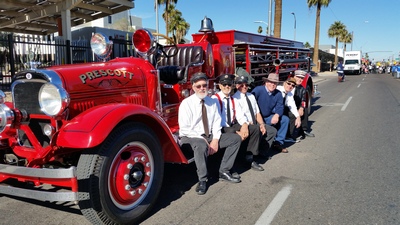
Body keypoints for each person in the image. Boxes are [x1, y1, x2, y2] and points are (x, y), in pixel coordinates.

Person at [178, 72, 242, 195]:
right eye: (198, 86)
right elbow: (185, 128)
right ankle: (203, 179)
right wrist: (203, 140)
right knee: (201, 146)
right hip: (191, 136)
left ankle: (224, 171)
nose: (202, 88)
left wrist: (215, 140)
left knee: (235, 139)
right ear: (193, 87)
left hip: (209, 135)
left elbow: (217, 123)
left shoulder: (212, 102)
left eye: (204, 85)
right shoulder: (186, 104)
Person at [232, 75, 277, 171]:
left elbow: (257, 112)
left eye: (246, 85)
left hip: (255, 122)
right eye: (241, 85)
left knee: (272, 131)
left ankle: (261, 152)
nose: (244, 87)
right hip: (244, 124)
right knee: (255, 130)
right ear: (236, 86)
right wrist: (249, 124)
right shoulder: (235, 99)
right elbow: (239, 116)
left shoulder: (251, 96)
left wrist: (262, 124)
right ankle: (250, 159)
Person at [251, 73, 289, 153]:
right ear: (266, 82)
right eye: (270, 82)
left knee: (285, 119)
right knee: (267, 129)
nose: (272, 84)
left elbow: (280, 106)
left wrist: (277, 115)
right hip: (257, 117)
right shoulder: (258, 90)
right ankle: (260, 149)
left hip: (268, 116)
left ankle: (278, 143)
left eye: (275, 83)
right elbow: (250, 104)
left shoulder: (278, 93)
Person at [276, 77, 301, 142]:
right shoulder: (278, 89)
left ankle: (288, 135)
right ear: (284, 83)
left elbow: (292, 106)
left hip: (281, 110)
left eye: (293, 85)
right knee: (284, 118)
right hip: (274, 110)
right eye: (289, 84)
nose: (290, 86)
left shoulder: (289, 94)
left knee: (292, 115)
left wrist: (298, 117)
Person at [292, 70, 315, 140]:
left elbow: (304, 100)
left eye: (301, 78)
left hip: (297, 105)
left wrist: (301, 108)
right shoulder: (289, 85)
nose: (300, 79)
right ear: (294, 77)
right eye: (298, 77)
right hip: (289, 107)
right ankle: (291, 132)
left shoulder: (302, 88)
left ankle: (304, 130)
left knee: (304, 109)